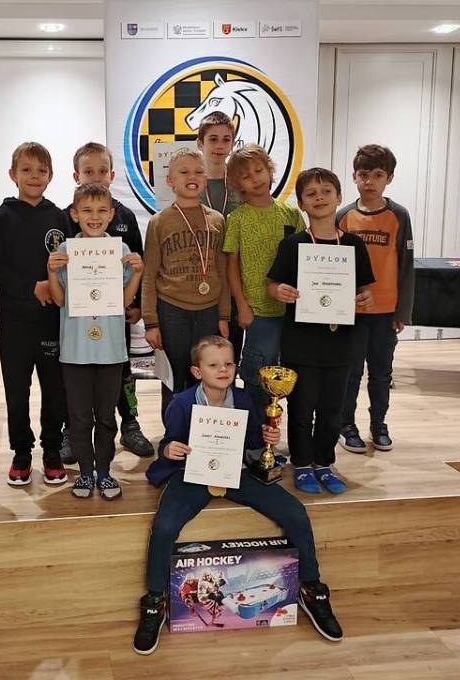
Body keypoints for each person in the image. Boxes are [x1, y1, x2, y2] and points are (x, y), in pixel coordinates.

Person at [132, 336, 344, 655]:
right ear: (197, 371)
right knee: (164, 527)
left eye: (229, 363)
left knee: (296, 513)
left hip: (238, 474)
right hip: (193, 475)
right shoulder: (182, 403)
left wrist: (268, 436)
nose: (223, 369)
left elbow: (255, 444)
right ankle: (155, 600)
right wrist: (169, 449)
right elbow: (169, 443)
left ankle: (311, 588)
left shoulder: (245, 399)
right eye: (213, 365)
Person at [266, 168, 375, 495]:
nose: (319, 198)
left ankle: (324, 462)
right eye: (311, 193)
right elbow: (272, 285)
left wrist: (365, 299)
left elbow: (365, 290)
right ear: (301, 203)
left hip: (341, 343)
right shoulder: (293, 245)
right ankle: (302, 464)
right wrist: (279, 291)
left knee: (332, 410)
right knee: (302, 408)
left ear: (339, 197)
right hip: (301, 343)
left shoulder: (354, 245)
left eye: (326, 191)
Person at [48, 183, 143, 499]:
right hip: (75, 351)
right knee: (78, 417)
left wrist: (138, 274)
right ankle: (85, 473)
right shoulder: (65, 251)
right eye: (87, 210)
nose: (94, 216)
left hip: (111, 351)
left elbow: (125, 301)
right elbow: (59, 300)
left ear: (111, 214)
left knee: (105, 416)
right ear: (74, 214)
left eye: (102, 210)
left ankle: (104, 472)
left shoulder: (121, 251)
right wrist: (51, 272)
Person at [60, 142, 152, 462]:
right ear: (77, 176)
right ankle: (71, 429)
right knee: (77, 375)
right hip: (77, 318)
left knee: (122, 369)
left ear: (112, 175)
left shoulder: (124, 215)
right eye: (89, 171)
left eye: (102, 171)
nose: (96, 176)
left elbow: (138, 258)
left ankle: (130, 423)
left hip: (115, 314)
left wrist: (136, 304)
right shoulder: (67, 216)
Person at [0, 141, 70, 487]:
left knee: (55, 390)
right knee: (17, 390)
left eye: (41, 171)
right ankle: (21, 452)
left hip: (52, 320)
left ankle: (52, 451)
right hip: (15, 321)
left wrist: (56, 286)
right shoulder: (2, 217)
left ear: (51, 176)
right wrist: (32, 287)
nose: (34, 176)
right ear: (13, 174)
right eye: (26, 170)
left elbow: (71, 262)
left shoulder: (59, 217)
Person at [336, 144, 414, 453]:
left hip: (385, 312)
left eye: (378, 175)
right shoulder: (343, 217)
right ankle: (346, 424)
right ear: (354, 176)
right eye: (364, 174)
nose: (370, 181)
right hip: (352, 313)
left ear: (389, 178)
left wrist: (402, 311)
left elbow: (406, 265)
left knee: (381, 373)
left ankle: (378, 423)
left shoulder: (399, 215)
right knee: (351, 373)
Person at [142, 148, 230, 419]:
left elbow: (222, 270)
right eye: (184, 172)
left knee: (206, 375)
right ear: (170, 180)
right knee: (175, 376)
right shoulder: (159, 222)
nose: (192, 177)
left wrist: (224, 315)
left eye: (199, 172)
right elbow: (149, 274)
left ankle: (203, 433)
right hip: (172, 309)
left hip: (209, 309)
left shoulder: (217, 220)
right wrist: (151, 322)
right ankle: (173, 431)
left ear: (206, 177)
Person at [223, 144, 305, 411]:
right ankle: (255, 430)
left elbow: (306, 257)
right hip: (257, 310)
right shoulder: (237, 219)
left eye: (259, 171)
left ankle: (274, 427)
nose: (255, 178)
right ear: (238, 184)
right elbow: (231, 266)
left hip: (292, 309)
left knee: (285, 373)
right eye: (246, 176)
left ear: (269, 170)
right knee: (257, 372)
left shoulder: (291, 214)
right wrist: (242, 305)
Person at [196, 111, 245, 364]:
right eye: (213, 139)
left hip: (234, 278)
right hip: (199, 277)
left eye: (226, 139)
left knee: (229, 351)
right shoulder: (190, 182)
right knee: (200, 353)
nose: (219, 146)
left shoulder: (241, 184)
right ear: (200, 143)